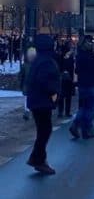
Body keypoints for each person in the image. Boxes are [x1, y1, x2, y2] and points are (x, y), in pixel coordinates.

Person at [25, 35, 61, 175]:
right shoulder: (46, 61)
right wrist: (53, 92)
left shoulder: (39, 60)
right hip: (42, 101)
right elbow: (45, 80)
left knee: (43, 130)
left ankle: (39, 158)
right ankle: (37, 159)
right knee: (44, 131)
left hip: (36, 101)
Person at [70, 36, 94, 139]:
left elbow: (77, 70)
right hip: (91, 83)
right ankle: (85, 129)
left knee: (83, 107)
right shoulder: (90, 56)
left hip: (82, 83)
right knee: (90, 108)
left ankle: (76, 125)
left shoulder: (79, 56)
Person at [57, 41, 75, 118]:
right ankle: (67, 112)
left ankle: (60, 112)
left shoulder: (60, 57)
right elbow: (72, 68)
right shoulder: (70, 57)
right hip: (69, 79)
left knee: (61, 96)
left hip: (61, 79)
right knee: (68, 97)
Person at [19, 47, 37, 121]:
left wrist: (21, 85)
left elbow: (21, 76)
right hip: (35, 86)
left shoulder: (25, 65)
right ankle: (33, 111)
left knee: (27, 99)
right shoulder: (37, 64)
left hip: (27, 85)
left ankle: (27, 112)